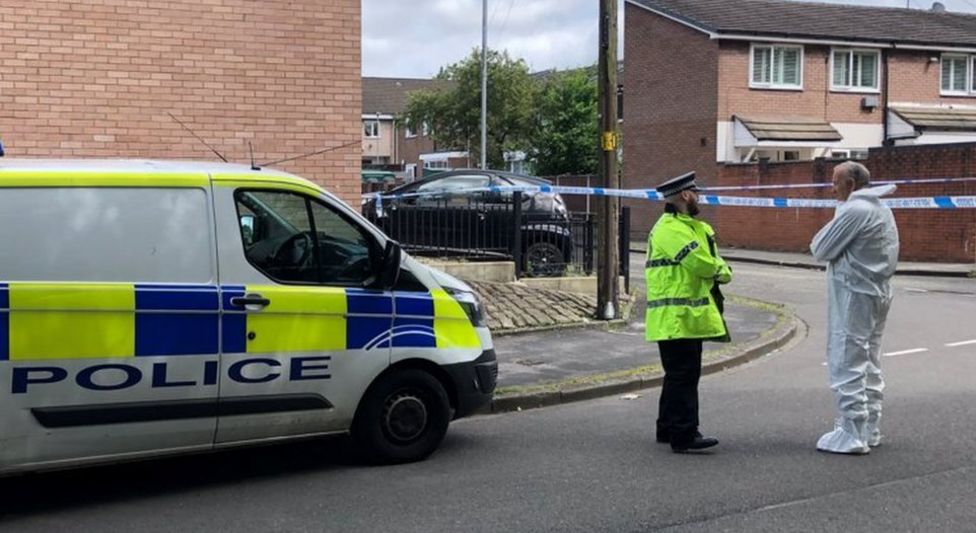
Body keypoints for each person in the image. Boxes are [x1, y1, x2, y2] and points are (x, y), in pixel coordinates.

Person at [811, 161, 899, 455]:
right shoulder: (882, 210)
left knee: (846, 357)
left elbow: (820, 248)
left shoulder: (855, 210)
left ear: (850, 184)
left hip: (854, 294)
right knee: (870, 359)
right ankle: (870, 425)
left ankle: (852, 432)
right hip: (878, 292)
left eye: (835, 181)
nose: (831, 187)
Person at [645, 172, 732, 453]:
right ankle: (684, 434)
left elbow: (708, 254)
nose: (699, 197)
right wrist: (722, 271)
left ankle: (667, 427)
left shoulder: (690, 226)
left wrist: (718, 266)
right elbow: (700, 263)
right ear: (685, 195)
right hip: (675, 317)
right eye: (696, 192)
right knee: (683, 374)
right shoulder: (670, 228)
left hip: (685, 316)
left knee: (678, 374)